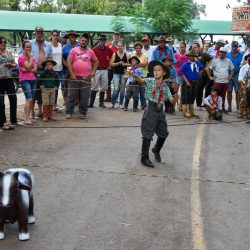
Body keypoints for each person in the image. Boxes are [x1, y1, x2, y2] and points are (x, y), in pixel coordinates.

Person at [126, 60, 178, 168]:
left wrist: (176, 97)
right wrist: (133, 74)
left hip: (160, 111)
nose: (156, 72)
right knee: (147, 135)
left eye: (159, 70)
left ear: (163, 73)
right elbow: (141, 80)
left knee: (164, 133)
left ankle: (156, 149)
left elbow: (171, 101)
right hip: (151, 109)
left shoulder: (165, 86)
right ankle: (144, 157)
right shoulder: (150, 81)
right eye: (154, 70)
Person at [66, 33, 98, 119]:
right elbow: (69, 62)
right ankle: (69, 112)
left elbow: (96, 61)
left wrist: (93, 71)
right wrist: (72, 74)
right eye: (82, 40)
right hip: (75, 77)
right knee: (71, 95)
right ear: (80, 41)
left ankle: (83, 113)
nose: (83, 42)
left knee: (85, 96)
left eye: (85, 41)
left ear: (87, 42)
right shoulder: (74, 50)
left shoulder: (90, 51)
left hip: (86, 78)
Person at [30, 27, 53, 118]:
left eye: (41, 32)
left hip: (44, 72)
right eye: (38, 32)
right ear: (35, 33)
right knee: (33, 92)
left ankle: (40, 111)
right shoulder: (30, 43)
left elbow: (50, 58)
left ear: (43, 33)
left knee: (42, 91)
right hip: (32, 71)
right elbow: (21, 54)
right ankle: (32, 112)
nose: (39, 34)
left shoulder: (48, 45)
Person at [207, 47, 235, 113]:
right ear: (219, 52)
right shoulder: (215, 60)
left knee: (223, 96)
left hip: (225, 81)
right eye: (220, 52)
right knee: (215, 95)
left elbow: (233, 70)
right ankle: (214, 108)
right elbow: (208, 69)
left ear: (225, 53)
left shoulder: (228, 61)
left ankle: (222, 108)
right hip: (217, 81)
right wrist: (210, 77)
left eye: (223, 52)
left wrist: (230, 76)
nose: (221, 53)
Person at [90, 34, 113, 108]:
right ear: (99, 41)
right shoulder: (94, 49)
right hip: (96, 70)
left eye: (104, 40)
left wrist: (109, 65)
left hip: (105, 70)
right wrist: (92, 70)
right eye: (101, 40)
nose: (102, 41)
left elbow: (113, 56)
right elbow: (90, 60)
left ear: (105, 41)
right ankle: (91, 103)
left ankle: (101, 103)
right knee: (94, 86)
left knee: (103, 86)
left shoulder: (109, 50)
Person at [18, 41, 37, 125]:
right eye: (27, 47)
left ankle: (28, 117)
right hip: (24, 79)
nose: (29, 48)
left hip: (33, 79)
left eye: (30, 47)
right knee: (28, 98)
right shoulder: (21, 57)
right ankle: (26, 118)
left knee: (31, 99)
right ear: (23, 48)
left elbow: (35, 69)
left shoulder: (31, 57)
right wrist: (30, 60)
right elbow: (30, 66)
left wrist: (27, 69)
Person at [0, 36, 18, 126]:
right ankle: (3, 122)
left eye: (5, 42)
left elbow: (15, 64)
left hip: (9, 79)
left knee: (13, 99)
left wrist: (11, 64)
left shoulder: (9, 53)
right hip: (0, 80)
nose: (3, 44)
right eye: (1, 42)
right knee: (1, 102)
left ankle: (14, 120)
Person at [181, 50, 203, 118]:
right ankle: (185, 111)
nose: (192, 57)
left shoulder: (197, 63)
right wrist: (187, 81)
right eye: (190, 56)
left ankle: (191, 111)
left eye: (193, 56)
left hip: (195, 82)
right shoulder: (185, 64)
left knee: (192, 96)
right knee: (186, 96)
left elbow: (202, 68)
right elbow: (183, 74)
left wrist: (199, 75)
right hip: (187, 82)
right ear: (188, 56)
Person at [191, 42, 212, 109]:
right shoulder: (191, 55)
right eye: (193, 47)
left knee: (206, 90)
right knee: (198, 90)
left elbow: (211, 59)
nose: (194, 49)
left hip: (204, 75)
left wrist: (207, 66)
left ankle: (206, 104)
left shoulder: (203, 54)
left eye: (195, 47)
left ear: (199, 48)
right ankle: (198, 105)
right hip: (195, 76)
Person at [62, 30, 80, 106]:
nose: (70, 39)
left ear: (75, 37)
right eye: (69, 38)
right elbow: (62, 57)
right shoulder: (65, 47)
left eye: (72, 37)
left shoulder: (80, 45)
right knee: (66, 85)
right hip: (68, 69)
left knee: (78, 85)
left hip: (78, 69)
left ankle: (78, 101)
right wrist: (66, 64)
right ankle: (66, 101)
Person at [37, 58, 59, 122]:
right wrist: (40, 85)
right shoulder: (43, 73)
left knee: (51, 102)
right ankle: (45, 115)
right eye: (47, 65)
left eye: (50, 64)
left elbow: (58, 80)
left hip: (52, 89)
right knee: (46, 102)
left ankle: (50, 115)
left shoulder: (55, 73)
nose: (49, 66)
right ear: (45, 66)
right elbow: (38, 79)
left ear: (52, 65)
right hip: (45, 89)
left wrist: (56, 86)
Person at [109, 42, 129, 109]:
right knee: (116, 88)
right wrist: (118, 63)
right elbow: (111, 64)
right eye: (119, 46)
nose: (120, 47)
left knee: (122, 89)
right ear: (117, 47)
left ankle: (121, 104)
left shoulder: (126, 55)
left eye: (121, 46)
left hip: (124, 73)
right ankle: (113, 103)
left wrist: (125, 64)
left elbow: (130, 64)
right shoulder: (114, 54)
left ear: (123, 47)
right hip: (116, 74)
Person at [130, 42, 148, 109]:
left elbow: (146, 64)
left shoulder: (145, 55)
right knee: (135, 90)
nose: (138, 49)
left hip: (143, 74)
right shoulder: (132, 55)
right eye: (136, 48)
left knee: (142, 90)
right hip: (135, 74)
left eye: (139, 48)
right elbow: (131, 64)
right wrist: (140, 64)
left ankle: (144, 105)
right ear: (135, 48)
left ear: (141, 48)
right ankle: (135, 105)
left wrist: (136, 64)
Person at [226, 41, 243, 112]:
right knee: (229, 91)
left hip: (238, 75)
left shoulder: (242, 55)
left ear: (237, 47)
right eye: (233, 46)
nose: (234, 48)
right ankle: (229, 106)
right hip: (229, 75)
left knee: (237, 92)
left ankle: (238, 107)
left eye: (235, 46)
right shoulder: (228, 54)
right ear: (231, 47)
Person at [50, 29, 63, 111]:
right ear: (51, 36)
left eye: (56, 35)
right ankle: (50, 105)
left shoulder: (60, 45)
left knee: (56, 88)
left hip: (60, 69)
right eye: (53, 35)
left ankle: (54, 104)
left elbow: (61, 57)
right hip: (52, 69)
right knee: (50, 87)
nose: (55, 36)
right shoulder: (48, 45)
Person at [106, 32, 121, 102]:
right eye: (115, 36)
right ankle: (108, 97)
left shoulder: (121, 45)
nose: (116, 38)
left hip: (118, 67)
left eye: (118, 36)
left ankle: (115, 98)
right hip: (109, 67)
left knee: (117, 83)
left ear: (119, 37)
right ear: (113, 37)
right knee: (107, 82)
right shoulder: (108, 44)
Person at [174, 41, 189, 110]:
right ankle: (177, 104)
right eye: (180, 47)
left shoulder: (187, 55)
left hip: (185, 75)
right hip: (177, 74)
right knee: (175, 91)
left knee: (183, 91)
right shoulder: (176, 55)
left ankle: (181, 105)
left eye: (183, 47)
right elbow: (174, 64)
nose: (182, 48)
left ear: (185, 47)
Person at [238, 53, 250, 118]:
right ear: (246, 59)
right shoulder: (244, 67)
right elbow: (241, 77)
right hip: (245, 86)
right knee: (243, 100)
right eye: (248, 58)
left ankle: (248, 113)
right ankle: (241, 112)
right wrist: (243, 85)